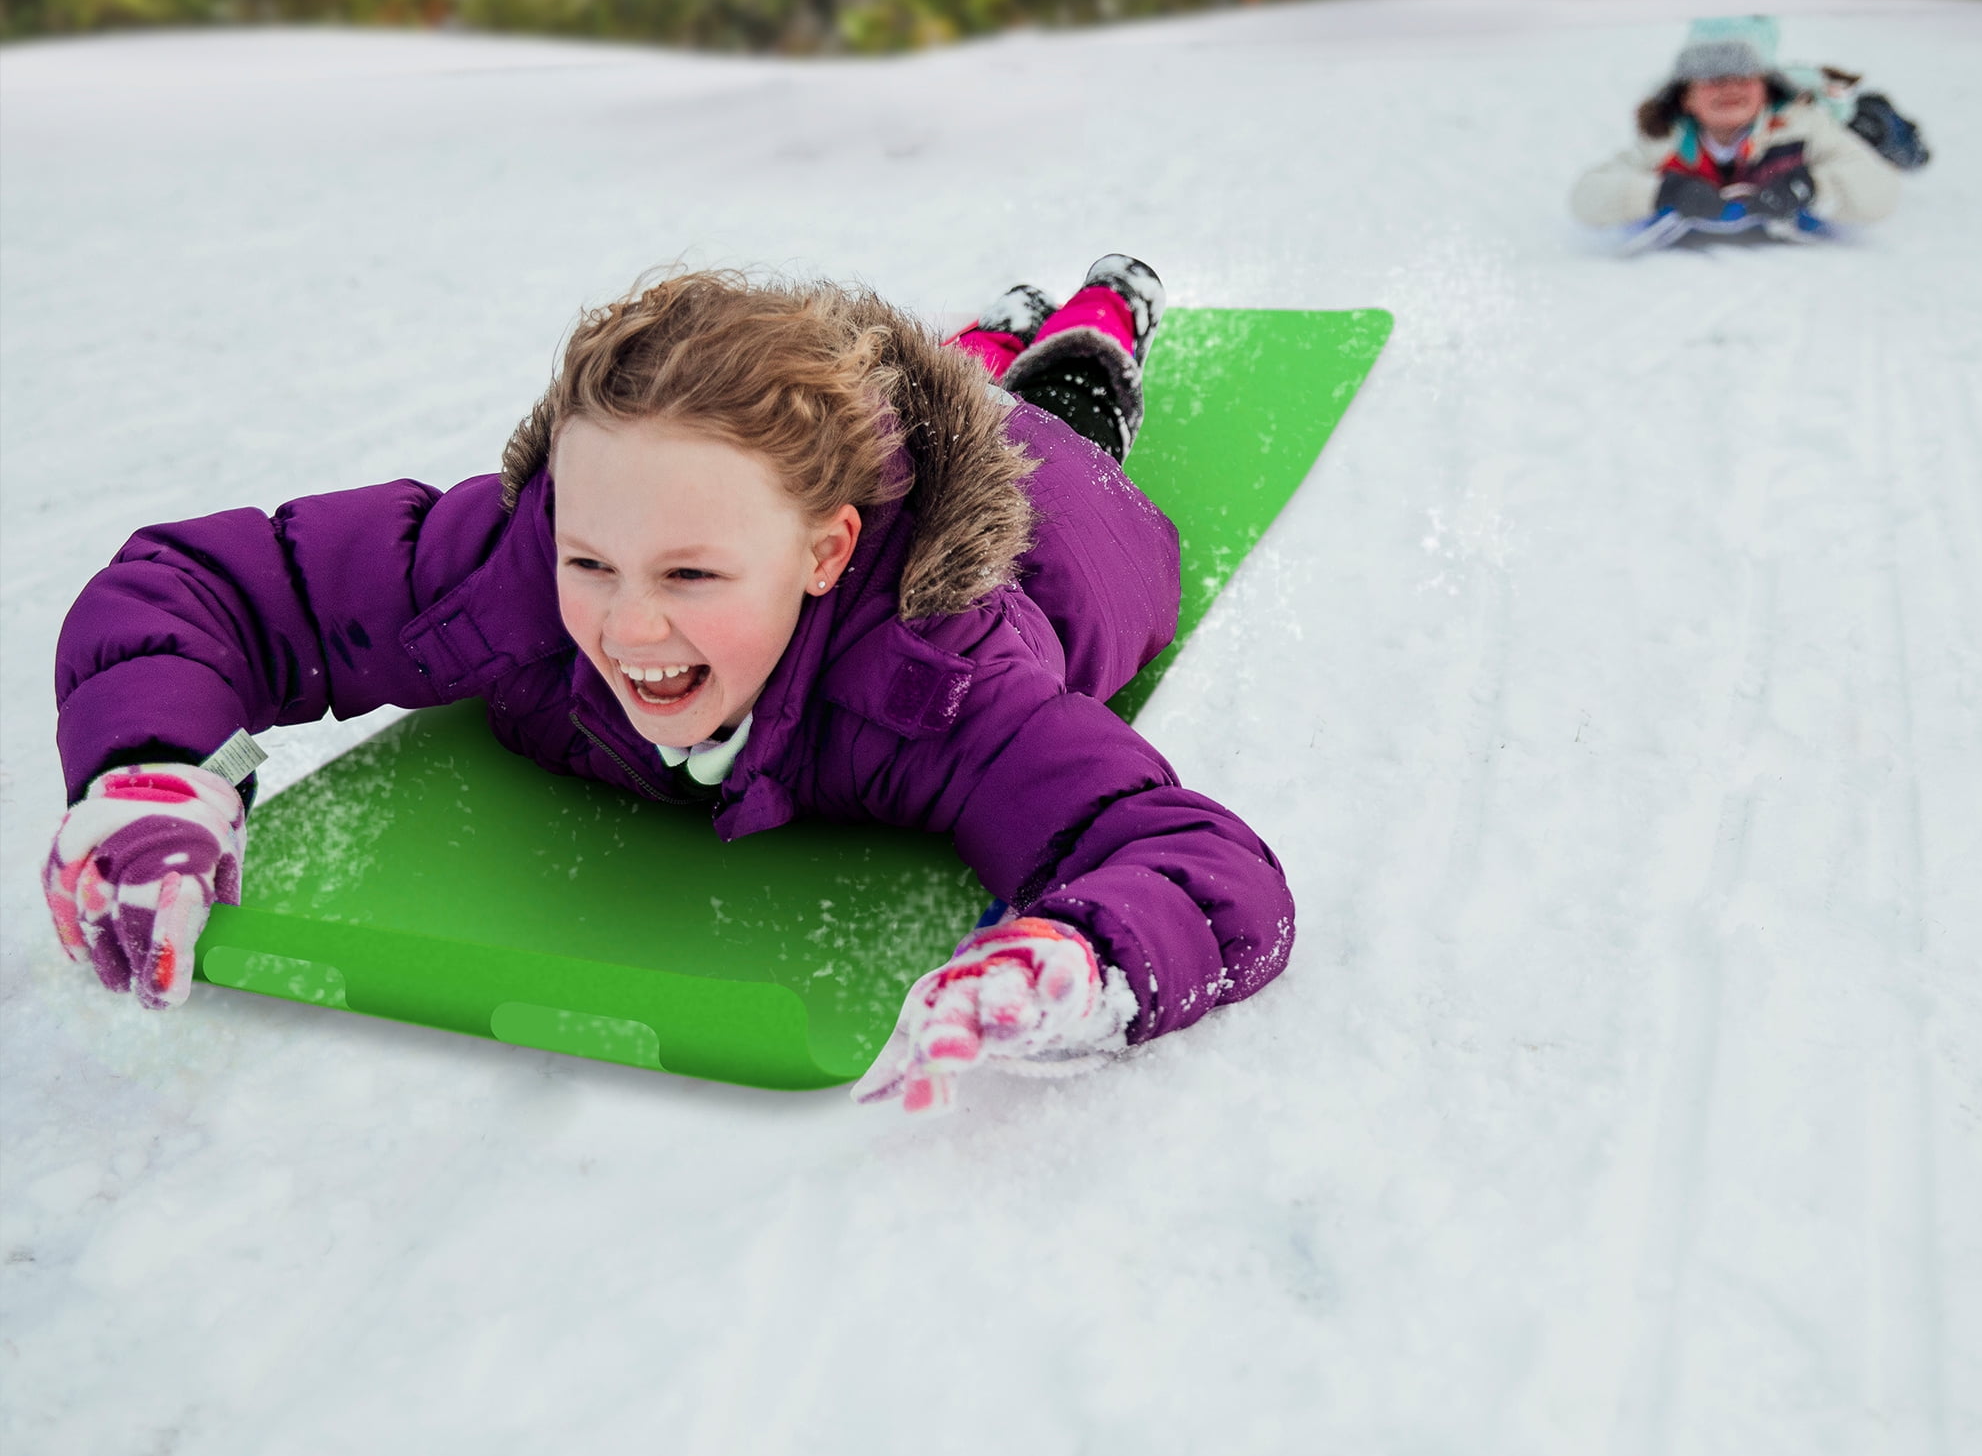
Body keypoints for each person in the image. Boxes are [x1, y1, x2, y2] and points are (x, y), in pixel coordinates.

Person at [43, 257, 1295, 1112]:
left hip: (1064, 503)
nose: (627, 622)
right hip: (830, 451)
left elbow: (1187, 857)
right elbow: (212, 585)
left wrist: (1084, 956)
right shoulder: (514, 565)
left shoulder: (938, 680)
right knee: (926, 374)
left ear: (824, 555)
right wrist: (152, 768)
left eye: (691, 573)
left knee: (1058, 397)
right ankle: (970, 341)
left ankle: (1100, 312)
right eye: (590, 559)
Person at [1571, 15, 1903, 245]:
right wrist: (1662, 192)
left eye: (1744, 77)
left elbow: (1881, 189)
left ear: (1766, 89)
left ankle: (1877, 115)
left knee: (1874, 130)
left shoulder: (1801, 126)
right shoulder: (1667, 141)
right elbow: (1587, 195)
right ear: (1686, 96)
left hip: (1847, 121)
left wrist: (1810, 186)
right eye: (1713, 79)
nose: (1730, 88)